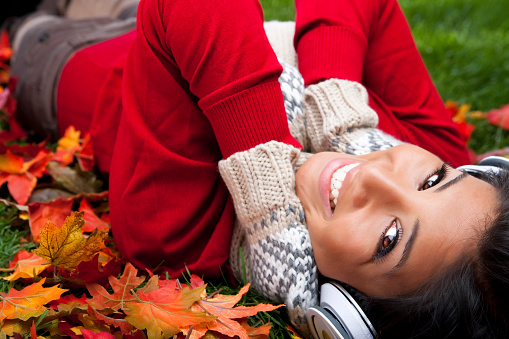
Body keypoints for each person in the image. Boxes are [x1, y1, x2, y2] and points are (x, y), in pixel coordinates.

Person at [6, 0, 508, 337]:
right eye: (433, 179)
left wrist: (266, 182)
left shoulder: (179, 234)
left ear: (342, 310)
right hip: (134, 17)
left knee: (32, 18)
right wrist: (337, 103)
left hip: (68, 59)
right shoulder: (432, 148)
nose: (374, 175)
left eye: (388, 239)